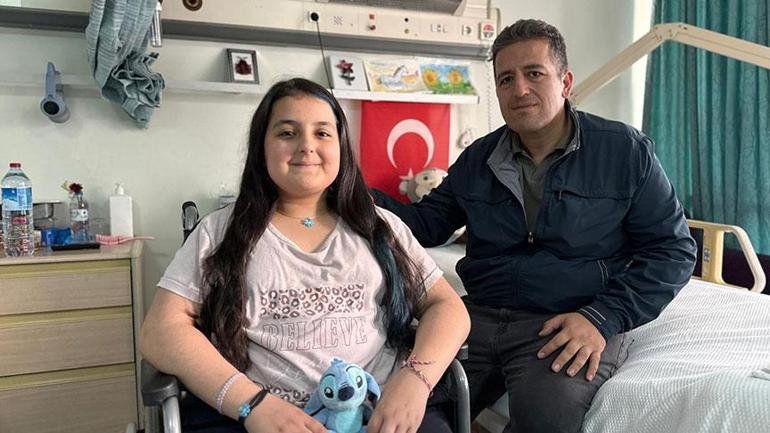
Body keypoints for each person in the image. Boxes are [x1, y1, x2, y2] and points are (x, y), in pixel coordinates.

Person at [371, 19, 697, 433]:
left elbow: (673, 251)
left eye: (534, 73)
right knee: (401, 408)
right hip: (479, 316)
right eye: (506, 79)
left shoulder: (624, 152)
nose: (520, 89)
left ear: (565, 82)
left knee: (544, 419)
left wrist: (603, 317)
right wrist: (354, 192)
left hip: (568, 320)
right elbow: (426, 225)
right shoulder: (478, 159)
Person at [140, 78, 470, 433]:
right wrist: (252, 405)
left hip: (379, 412)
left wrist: (416, 380)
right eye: (287, 133)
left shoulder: (381, 227)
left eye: (322, 133)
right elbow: (161, 330)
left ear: (341, 146)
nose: (307, 146)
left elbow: (446, 306)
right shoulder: (218, 232)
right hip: (261, 418)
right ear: (261, 147)